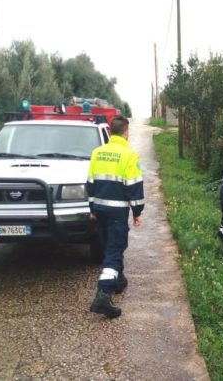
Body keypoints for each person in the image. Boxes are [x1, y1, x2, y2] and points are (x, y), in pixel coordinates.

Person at [86, 116, 144, 318]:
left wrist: (92, 207)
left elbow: (90, 182)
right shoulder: (129, 155)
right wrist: (137, 212)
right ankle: (103, 294)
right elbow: (134, 186)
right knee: (115, 248)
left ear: (110, 132)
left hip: (99, 209)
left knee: (108, 245)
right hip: (117, 212)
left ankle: (118, 280)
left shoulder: (97, 152)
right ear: (126, 132)